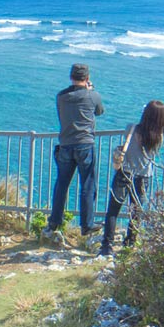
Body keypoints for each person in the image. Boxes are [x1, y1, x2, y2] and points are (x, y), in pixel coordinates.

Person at [99, 100, 164, 257]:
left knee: (113, 210)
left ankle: (106, 246)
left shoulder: (131, 128)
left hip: (125, 172)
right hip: (144, 176)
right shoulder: (159, 137)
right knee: (136, 211)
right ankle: (130, 241)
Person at [45, 63, 105, 239]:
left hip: (65, 144)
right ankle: (86, 225)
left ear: (71, 77)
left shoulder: (61, 96)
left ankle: (54, 221)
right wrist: (91, 90)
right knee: (87, 184)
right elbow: (99, 111)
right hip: (85, 144)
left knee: (62, 184)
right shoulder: (92, 95)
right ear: (87, 78)